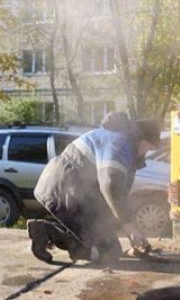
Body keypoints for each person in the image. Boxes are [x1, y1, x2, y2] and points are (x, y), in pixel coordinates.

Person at [28, 112, 160, 265]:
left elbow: (115, 196)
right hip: (67, 188)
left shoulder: (121, 140)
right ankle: (47, 231)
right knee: (104, 254)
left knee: (110, 249)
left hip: (71, 187)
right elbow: (110, 184)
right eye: (148, 148)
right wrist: (128, 225)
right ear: (141, 139)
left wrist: (130, 231)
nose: (146, 153)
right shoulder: (120, 143)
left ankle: (49, 232)